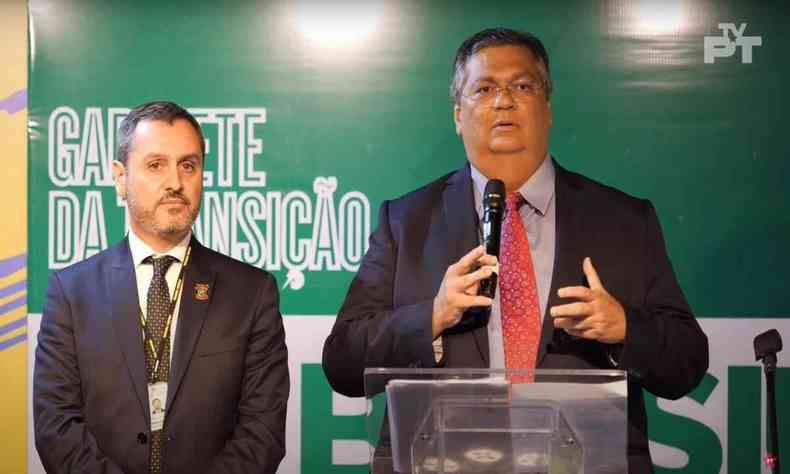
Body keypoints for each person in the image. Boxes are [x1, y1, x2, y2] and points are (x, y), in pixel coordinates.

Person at [322, 28, 708, 473]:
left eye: (522, 86)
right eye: (484, 89)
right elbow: (343, 363)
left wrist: (624, 328)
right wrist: (431, 316)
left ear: (547, 109)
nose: (503, 101)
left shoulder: (624, 220)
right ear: (457, 115)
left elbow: (688, 362)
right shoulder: (406, 221)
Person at [34, 101, 289, 474]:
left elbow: (262, 432)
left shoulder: (251, 293)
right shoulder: (71, 293)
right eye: (156, 165)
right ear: (120, 178)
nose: (175, 182)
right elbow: (56, 426)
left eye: (188, 165)